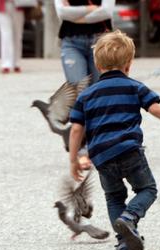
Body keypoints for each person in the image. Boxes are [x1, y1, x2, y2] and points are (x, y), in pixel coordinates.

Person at [68, 30, 160, 250]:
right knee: (147, 189)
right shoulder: (134, 87)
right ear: (128, 65)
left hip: (101, 157)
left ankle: (124, 243)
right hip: (129, 151)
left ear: (98, 66)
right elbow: (156, 108)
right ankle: (130, 218)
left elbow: (76, 128)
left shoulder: (86, 96)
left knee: (114, 197)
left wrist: (73, 159)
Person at [54, 0, 115, 168]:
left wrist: (77, 16)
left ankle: (99, 146)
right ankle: (81, 150)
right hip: (71, 42)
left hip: (101, 41)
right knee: (79, 94)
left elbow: (106, 12)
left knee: (100, 94)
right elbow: (62, 13)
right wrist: (91, 9)